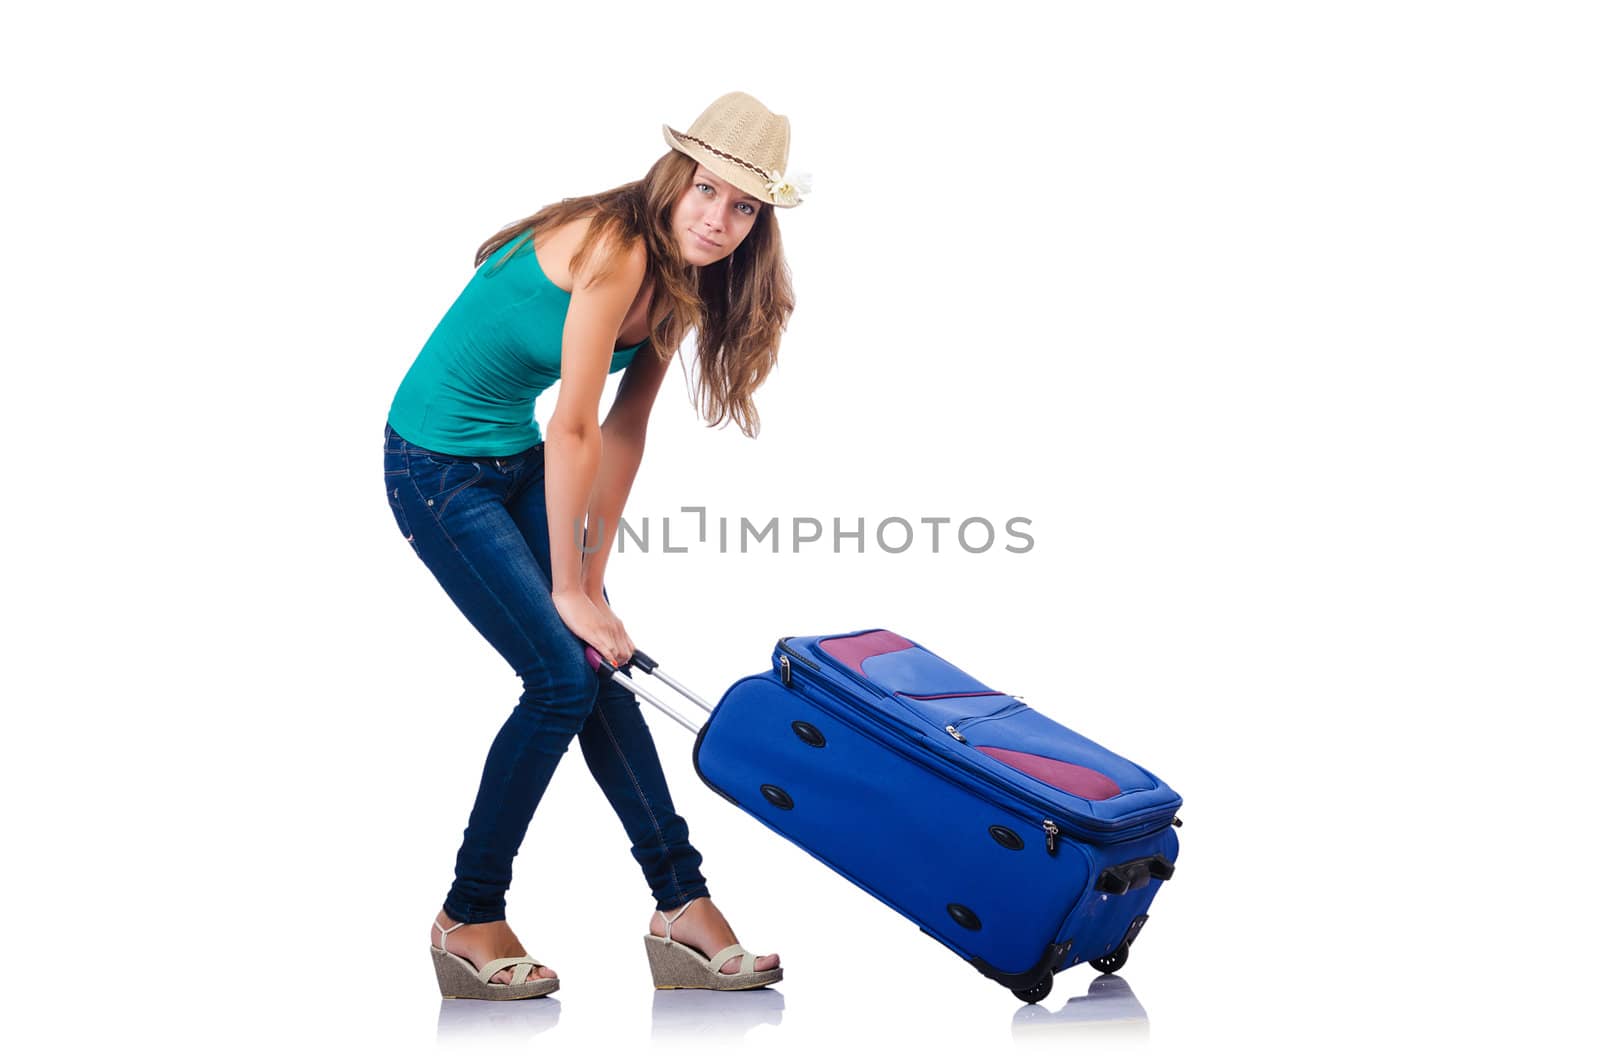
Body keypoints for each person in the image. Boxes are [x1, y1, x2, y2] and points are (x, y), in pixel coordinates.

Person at [382, 92, 805, 1000]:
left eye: (744, 208)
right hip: (434, 468)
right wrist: (567, 589)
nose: (719, 220)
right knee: (562, 678)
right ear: (673, 176)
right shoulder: (616, 247)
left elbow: (624, 432)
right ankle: (467, 916)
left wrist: (595, 584)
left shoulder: (681, 282)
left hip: (509, 458)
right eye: (708, 191)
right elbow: (572, 424)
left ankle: (679, 907)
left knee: (595, 660)